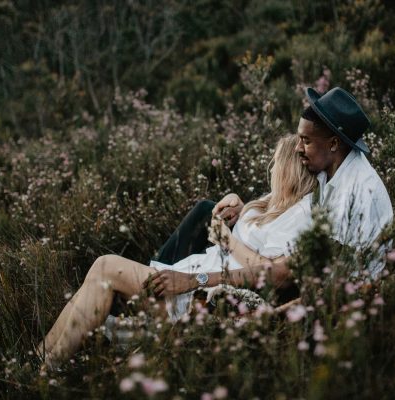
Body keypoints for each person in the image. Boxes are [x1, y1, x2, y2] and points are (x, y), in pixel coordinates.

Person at [38, 135, 316, 368]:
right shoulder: (277, 200)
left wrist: (228, 242)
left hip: (201, 295)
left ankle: (50, 369)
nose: (271, 169)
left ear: (287, 169)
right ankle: (41, 357)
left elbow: (272, 273)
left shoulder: (301, 215)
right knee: (93, 282)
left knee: (105, 267)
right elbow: (258, 229)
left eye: (276, 163)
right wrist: (240, 207)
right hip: (194, 272)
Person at [155, 87, 393, 284]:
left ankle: (154, 278)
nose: (298, 148)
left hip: (331, 289)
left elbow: (287, 272)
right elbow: (293, 199)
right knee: (207, 210)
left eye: (306, 141)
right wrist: (248, 210)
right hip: (298, 269)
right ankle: (155, 274)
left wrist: (199, 279)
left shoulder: (356, 193)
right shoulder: (332, 168)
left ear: (333, 143)